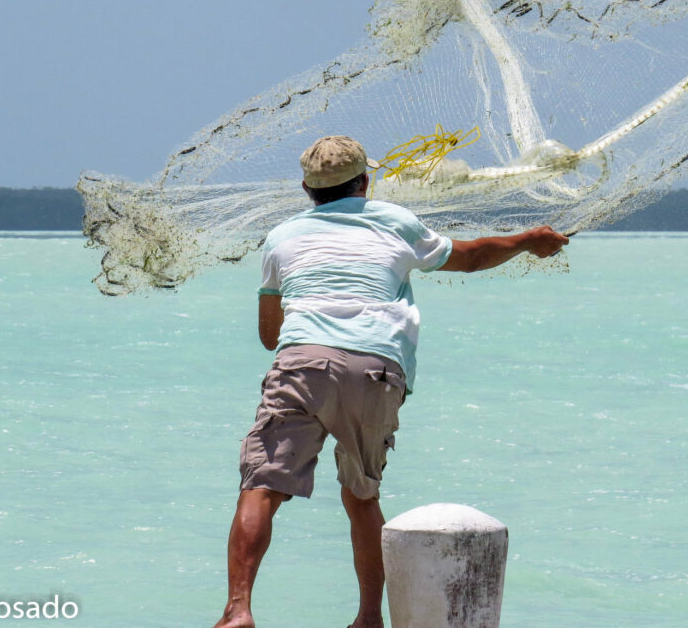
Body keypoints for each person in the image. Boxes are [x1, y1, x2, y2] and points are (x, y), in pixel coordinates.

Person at [213, 135, 568, 628]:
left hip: (301, 362)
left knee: (261, 487)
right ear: (364, 181)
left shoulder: (281, 237)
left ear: (307, 189)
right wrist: (528, 242)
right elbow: (471, 256)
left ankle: (238, 611)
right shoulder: (394, 221)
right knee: (361, 496)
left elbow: (269, 334)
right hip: (375, 366)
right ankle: (367, 618)